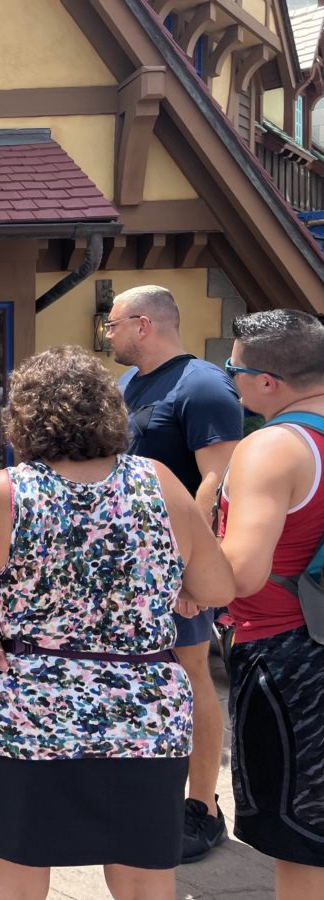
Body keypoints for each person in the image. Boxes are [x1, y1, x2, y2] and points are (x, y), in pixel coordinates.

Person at [0, 347, 233, 900]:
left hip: (28, 713)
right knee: (143, 880)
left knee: (18, 882)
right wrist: (177, 589)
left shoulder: (5, 493)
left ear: (23, 417)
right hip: (140, 714)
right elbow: (218, 588)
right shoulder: (158, 482)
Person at [108, 284, 241, 863]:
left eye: (112, 324)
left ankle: (203, 807)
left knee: (190, 676)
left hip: (176, 569)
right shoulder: (126, 384)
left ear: (143, 324)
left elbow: (218, 480)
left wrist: (191, 572)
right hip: (128, 569)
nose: (107, 334)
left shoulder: (203, 385)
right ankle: (149, 795)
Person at [212, 309, 324, 898]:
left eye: (232, 369)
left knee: (301, 839)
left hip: (288, 656)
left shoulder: (274, 446)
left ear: (267, 381)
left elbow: (240, 575)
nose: (229, 380)